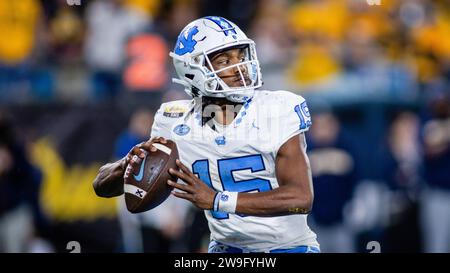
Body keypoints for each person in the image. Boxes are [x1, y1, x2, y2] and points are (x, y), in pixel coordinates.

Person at [93, 16, 319, 253]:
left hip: (289, 247)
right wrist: (128, 164)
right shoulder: (175, 121)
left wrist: (217, 200)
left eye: (241, 57)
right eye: (225, 60)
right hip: (225, 249)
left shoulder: (276, 109)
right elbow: (101, 187)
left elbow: (300, 198)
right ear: (193, 69)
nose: (239, 66)